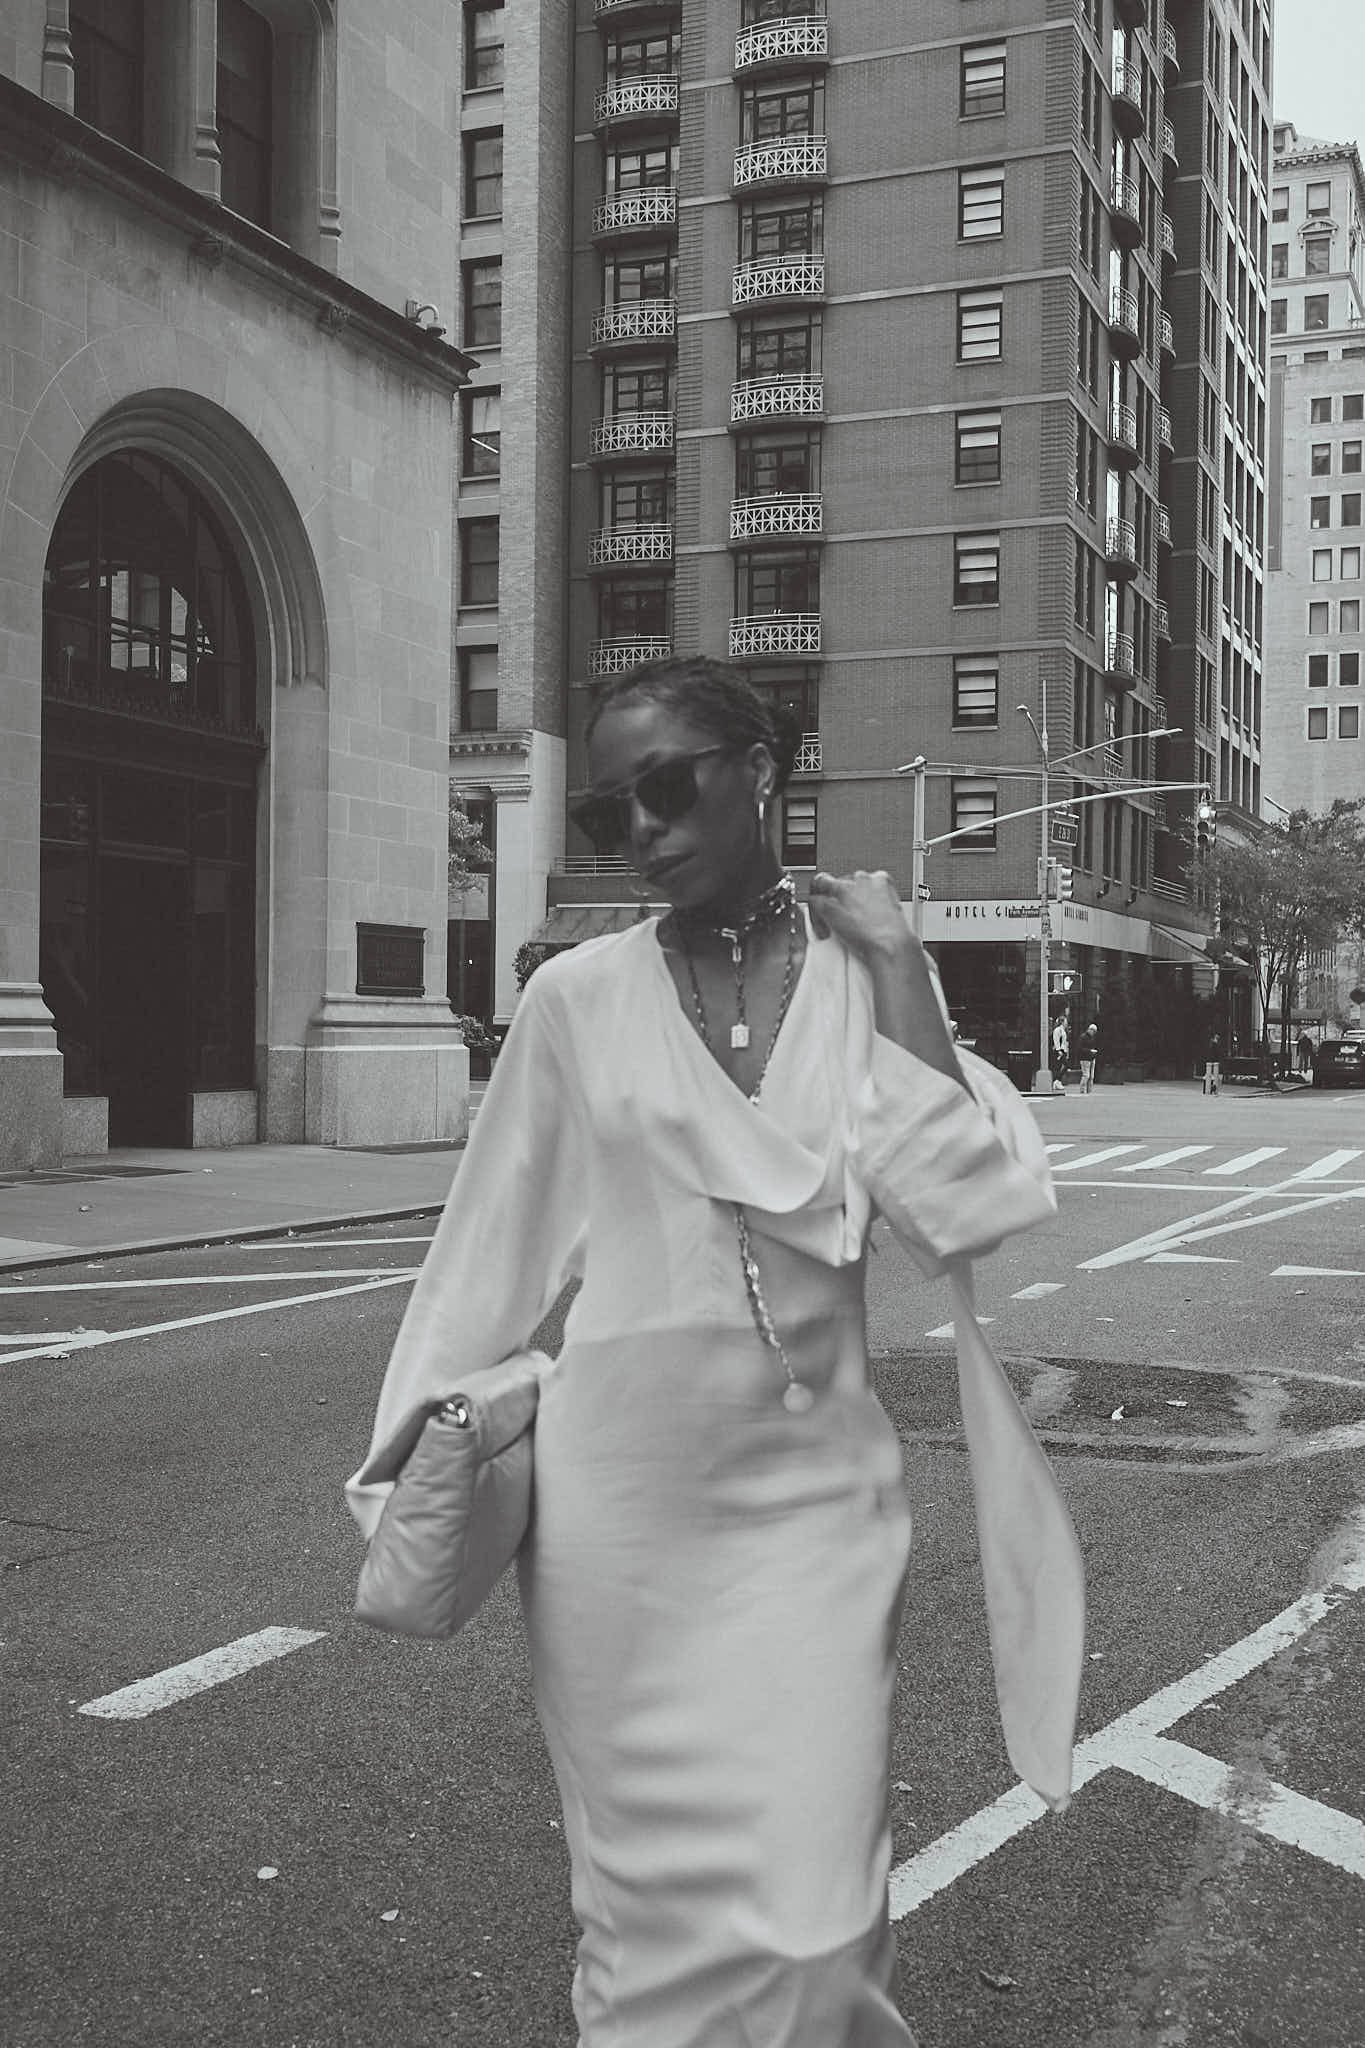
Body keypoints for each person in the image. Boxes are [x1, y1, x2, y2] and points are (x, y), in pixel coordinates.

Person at [346, 657, 1082, 2048]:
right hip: (617, 1521)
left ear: (762, 771)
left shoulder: (861, 982)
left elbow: (963, 1207)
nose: (642, 830)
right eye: (613, 810)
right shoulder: (575, 996)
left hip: (813, 1510)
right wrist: (402, 1486)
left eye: (669, 787)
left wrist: (906, 969)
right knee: (641, 1921)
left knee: (813, 1932)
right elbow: (487, 1250)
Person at [1078, 1020, 1100, 1092]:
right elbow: (1080, 1048)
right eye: (1093, 1031)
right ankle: (1082, 1089)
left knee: (1091, 1076)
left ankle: (1089, 1090)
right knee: (1086, 1075)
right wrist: (1090, 1051)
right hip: (1085, 1058)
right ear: (1089, 1029)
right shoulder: (1083, 1037)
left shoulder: (1092, 1037)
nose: (1093, 1033)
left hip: (1091, 1058)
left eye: (1094, 1031)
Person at [1050, 1016, 1070, 1092]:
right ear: (1062, 1022)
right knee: (1065, 1065)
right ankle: (1057, 1081)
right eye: (1065, 1021)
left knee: (1059, 1066)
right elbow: (1056, 1040)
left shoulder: (1063, 1030)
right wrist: (1058, 1050)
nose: (1066, 1023)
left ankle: (1057, 1081)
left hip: (1063, 1050)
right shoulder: (1058, 1030)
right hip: (1060, 1050)